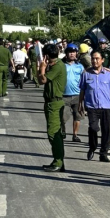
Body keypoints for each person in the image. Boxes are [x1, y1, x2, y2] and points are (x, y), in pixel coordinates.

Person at [79, 50, 110, 161]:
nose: (94, 61)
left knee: (106, 131)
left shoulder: (109, 73)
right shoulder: (86, 73)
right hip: (91, 106)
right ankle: (92, 147)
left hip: (106, 106)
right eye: (93, 58)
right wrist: (80, 103)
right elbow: (82, 90)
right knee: (93, 128)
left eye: (97, 58)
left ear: (102, 60)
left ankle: (103, 154)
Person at [41, 43, 67, 171]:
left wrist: (42, 67)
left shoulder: (57, 66)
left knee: (53, 133)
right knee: (55, 133)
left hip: (55, 103)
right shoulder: (55, 65)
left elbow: (43, 80)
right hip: (51, 102)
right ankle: (58, 160)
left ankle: (58, 162)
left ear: (46, 55)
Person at [61, 43, 84, 143]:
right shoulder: (62, 65)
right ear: (66, 53)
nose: (72, 54)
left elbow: (84, 80)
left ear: (76, 53)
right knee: (62, 116)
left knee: (77, 116)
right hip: (64, 95)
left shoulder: (80, 66)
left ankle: (75, 135)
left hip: (77, 95)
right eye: (70, 52)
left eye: (74, 52)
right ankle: (62, 131)